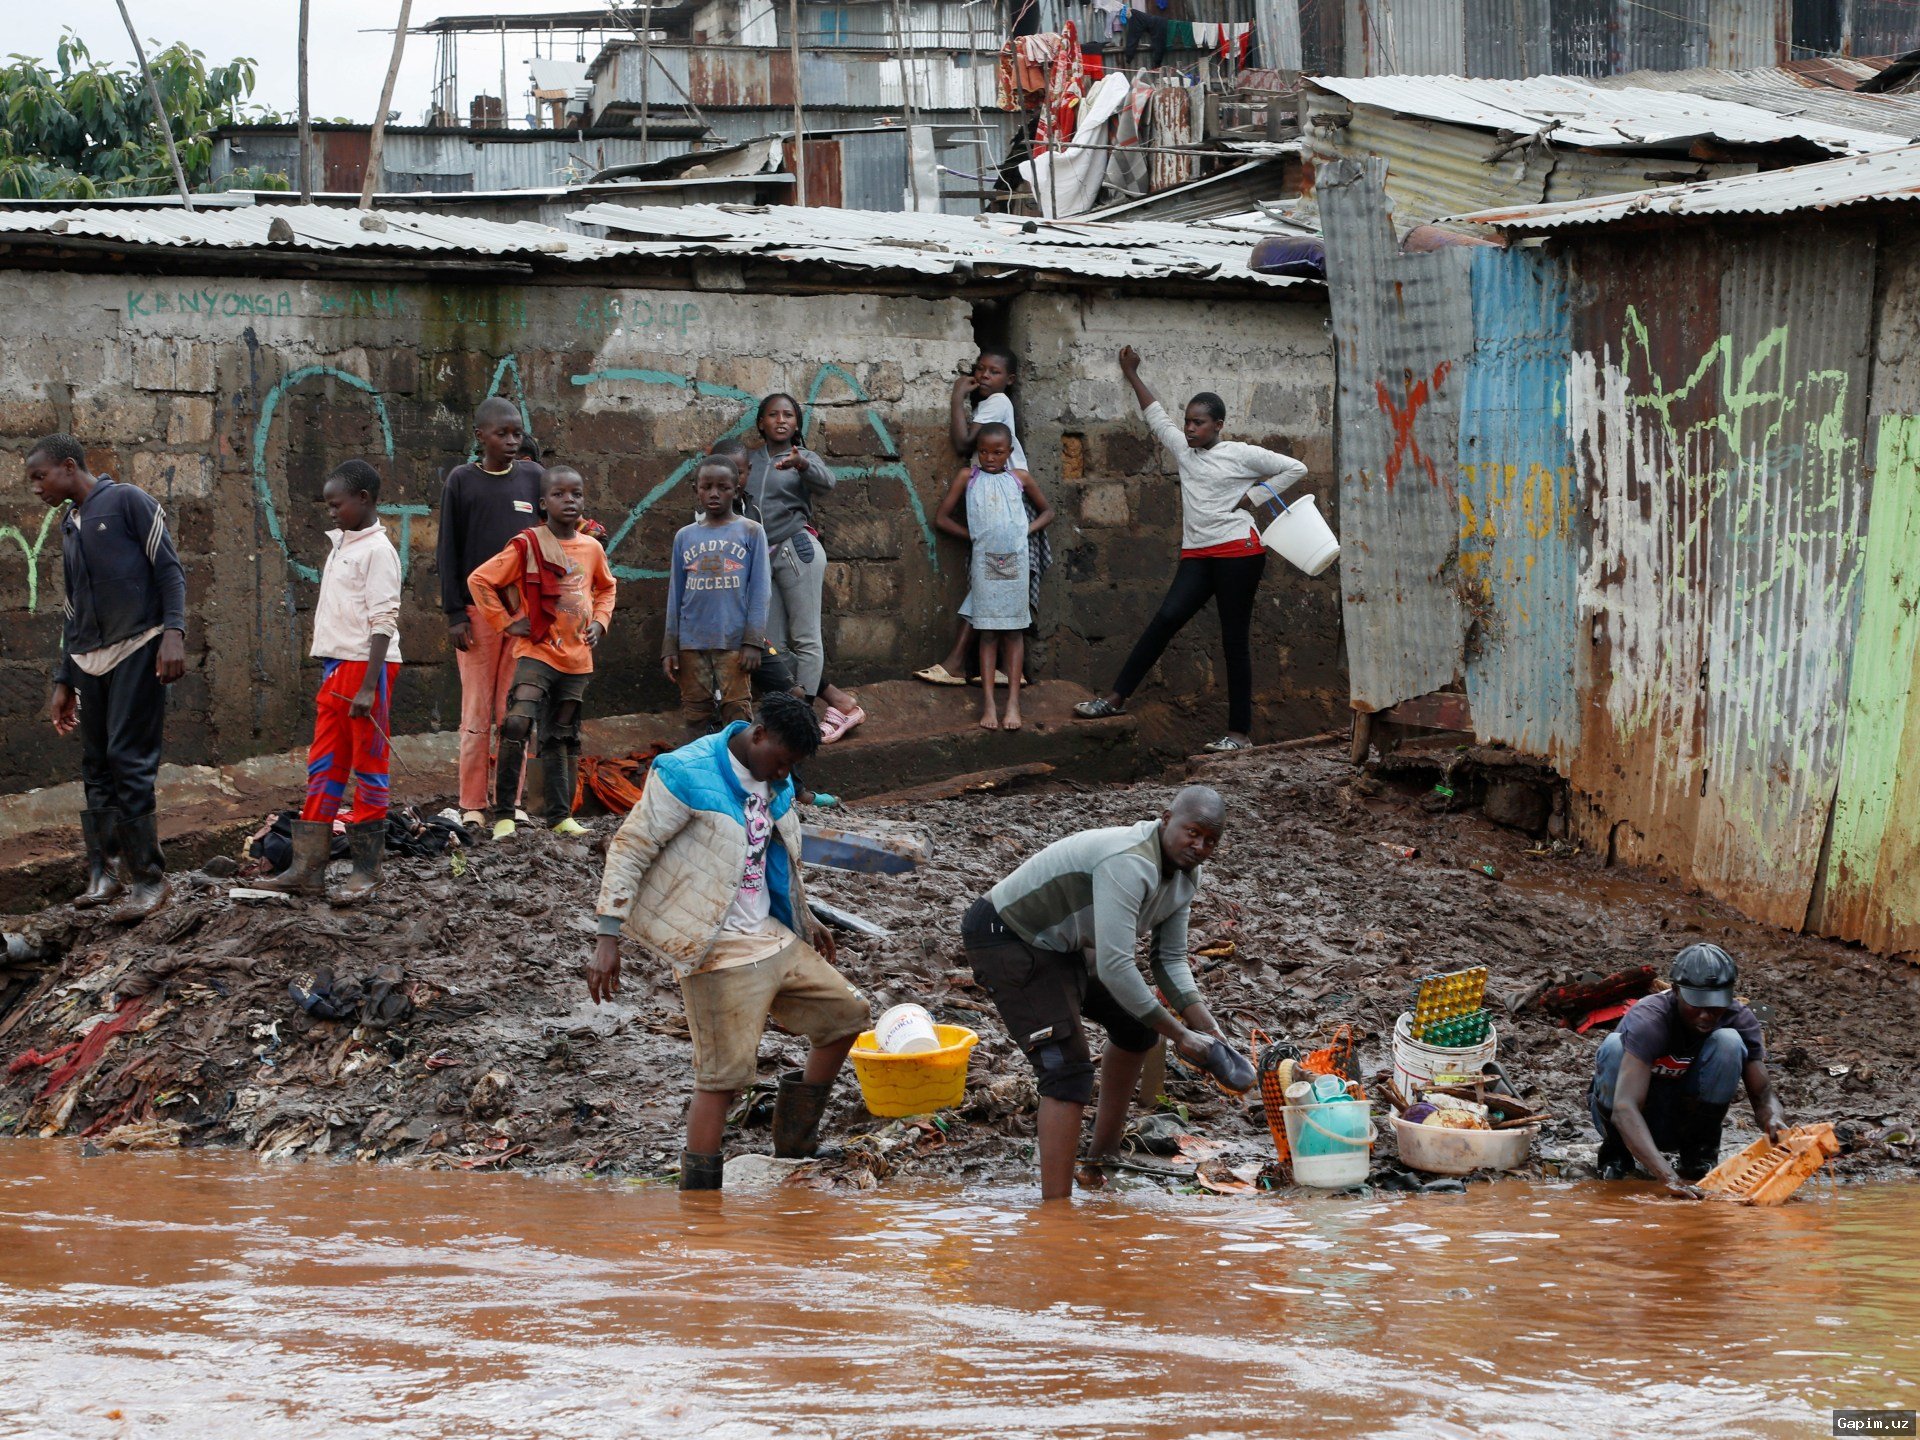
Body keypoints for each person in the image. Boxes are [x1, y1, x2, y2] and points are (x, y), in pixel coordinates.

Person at [588, 693, 869, 1192]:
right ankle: (700, 1200)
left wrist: (805, 918)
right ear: (758, 734)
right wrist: (608, 936)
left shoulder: (775, 779)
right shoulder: (684, 773)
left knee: (846, 1015)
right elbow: (631, 847)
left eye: (792, 767)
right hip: (714, 948)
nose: (784, 775)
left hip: (771, 935)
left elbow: (775, 857)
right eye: (782, 762)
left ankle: (794, 1144)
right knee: (722, 1077)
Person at [960, 785, 1252, 1201]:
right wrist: (1181, 1035)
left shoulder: (1187, 873)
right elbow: (1115, 965)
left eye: (1211, 841)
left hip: (1062, 943)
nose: (1200, 846)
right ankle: (1057, 1215)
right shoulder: (1129, 861)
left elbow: (1169, 959)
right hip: (1006, 936)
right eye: (1193, 832)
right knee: (1067, 1069)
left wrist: (1207, 1027)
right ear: (1166, 819)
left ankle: (1102, 1159)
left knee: (1136, 1029)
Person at [1074, 347, 1308, 753]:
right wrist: (1132, 374)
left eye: (1198, 423)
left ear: (1218, 425)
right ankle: (1113, 700)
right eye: (1187, 421)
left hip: (1240, 553)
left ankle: (1238, 734)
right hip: (1198, 554)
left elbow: (1296, 468)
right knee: (1165, 619)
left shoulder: (1240, 454)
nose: (1189, 429)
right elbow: (1155, 415)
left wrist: (1254, 498)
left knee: (1233, 638)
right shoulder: (1184, 450)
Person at [30, 433, 187, 923]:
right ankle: (105, 873)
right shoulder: (69, 525)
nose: (36, 489)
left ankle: (149, 879)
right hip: (89, 659)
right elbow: (73, 607)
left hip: (139, 646)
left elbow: (171, 570)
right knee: (95, 763)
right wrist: (64, 678)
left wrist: (174, 633)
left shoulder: (126, 501)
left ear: (69, 466)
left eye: (40, 477)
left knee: (128, 758)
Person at [257, 461, 401, 903]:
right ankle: (307, 868)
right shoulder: (343, 545)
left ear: (364, 499)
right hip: (337, 667)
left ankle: (365, 871)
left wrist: (367, 687)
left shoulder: (378, 551)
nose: (332, 512)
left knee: (369, 764)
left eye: (337, 504)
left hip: (364, 668)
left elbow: (383, 620)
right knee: (324, 762)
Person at [466, 465, 616, 841]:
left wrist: (599, 623)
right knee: (517, 722)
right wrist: (505, 622)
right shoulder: (527, 544)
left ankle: (559, 816)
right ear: (542, 503)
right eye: (560, 494)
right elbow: (480, 580)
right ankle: (504, 815)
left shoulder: (592, 548)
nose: (569, 501)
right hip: (537, 651)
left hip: (578, 656)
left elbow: (606, 589)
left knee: (562, 734)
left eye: (576, 494)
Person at [1589, 944, 1787, 1200]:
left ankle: (1698, 1159)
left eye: (1715, 1006)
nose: (1706, 1015)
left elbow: (1763, 1095)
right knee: (1614, 1047)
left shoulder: (1738, 1019)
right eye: (1697, 1005)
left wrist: (1774, 1119)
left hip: (1687, 1123)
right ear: (1675, 991)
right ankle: (1616, 1157)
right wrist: (1669, 1179)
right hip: (1631, 1120)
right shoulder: (1650, 1018)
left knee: (1729, 1041)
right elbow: (1625, 1107)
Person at [436, 396, 543, 828]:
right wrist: (454, 614)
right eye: (502, 434)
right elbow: (448, 551)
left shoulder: (534, 477)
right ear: (480, 436)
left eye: (517, 433)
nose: (512, 441)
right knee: (477, 709)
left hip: (524, 614)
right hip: (478, 612)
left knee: (514, 707)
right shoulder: (462, 482)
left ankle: (509, 802)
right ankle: (472, 804)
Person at [737, 396, 867, 743]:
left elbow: (828, 484)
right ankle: (838, 704)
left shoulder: (804, 458)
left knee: (806, 637)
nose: (780, 420)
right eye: (772, 415)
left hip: (797, 551)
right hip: (760, 558)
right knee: (774, 645)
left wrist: (802, 465)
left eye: (788, 415)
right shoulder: (748, 460)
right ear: (761, 423)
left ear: (797, 424)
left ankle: (804, 719)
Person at [917, 348, 1042, 689]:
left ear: (1010, 380)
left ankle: (963, 663)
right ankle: (990, 666)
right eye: (980, 370)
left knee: (999, 585)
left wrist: (957, 397)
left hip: (1010, 506)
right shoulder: (990, 410)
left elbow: (963, 444)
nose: (985, 376)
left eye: (994, 372)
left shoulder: (997, 403)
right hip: (993, 504)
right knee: (992, 584)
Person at [932, 423, 1053, 732]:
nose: (989, 457)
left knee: (1014, 632)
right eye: (983, 451)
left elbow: (1048, 512)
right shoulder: (967, 478)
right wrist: (973, 537)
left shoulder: (1019, 478)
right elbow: (941, 518)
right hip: (984, 563)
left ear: (1009, 453)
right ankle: (988, 702)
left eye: (998, 452)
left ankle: (1012, 702)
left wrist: (1025, 531)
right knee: (986, 632)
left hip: (1016, 562)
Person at [664, 456, 771, 736]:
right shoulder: (684, 537)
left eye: (722, 487)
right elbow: (676, 593)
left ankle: (737, 774)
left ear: (736, 490)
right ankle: (699, 775)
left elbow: (760, 590)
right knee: (695, 714)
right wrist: (670, 645)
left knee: (737, 714)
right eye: (706, 486)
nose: (714, 493)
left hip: (733, 641)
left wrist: (753, 641)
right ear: (696, 490)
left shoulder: (751, 531)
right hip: (691, 642)